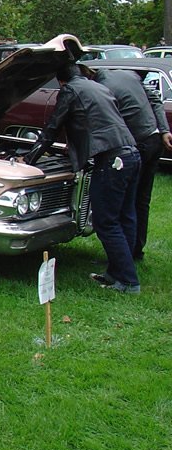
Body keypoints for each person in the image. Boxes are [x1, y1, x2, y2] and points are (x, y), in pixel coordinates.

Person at [22, 62, 141, 294]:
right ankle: (118, 272)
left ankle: (127, 280)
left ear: (61, 81)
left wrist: (29, 159)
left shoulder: (70, 91)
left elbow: (52, 127)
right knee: (126, 215)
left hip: (111, 160)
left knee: (106, 221)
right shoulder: (98, 88)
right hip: (131, 153)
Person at [88, 66, 172, 261]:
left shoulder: (102, 88)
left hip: (137, 143)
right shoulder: (129, 75)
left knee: (126, 202)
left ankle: (123, 255)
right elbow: (155, 100)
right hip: (154, 139)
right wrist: (164, 129)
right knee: (141, 201)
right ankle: (135, 251)